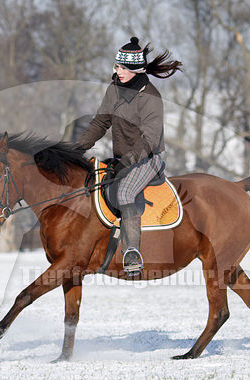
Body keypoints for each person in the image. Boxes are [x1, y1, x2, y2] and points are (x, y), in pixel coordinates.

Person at [78, 37, 182, 275]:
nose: (118, 71)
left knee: (125, 191)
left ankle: (132, 252)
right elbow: (100, 122)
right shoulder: (114, 88)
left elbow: (150, 139)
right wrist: (75, 148)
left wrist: (127, 162)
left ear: (136, 69)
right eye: (117, 66)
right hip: (122, 159)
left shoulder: (151, 96)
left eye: (123, 68)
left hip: (148, 158)